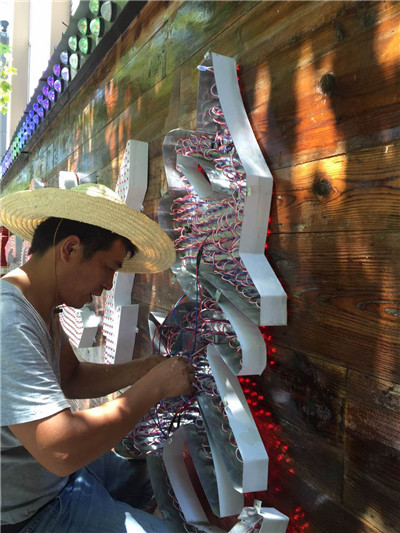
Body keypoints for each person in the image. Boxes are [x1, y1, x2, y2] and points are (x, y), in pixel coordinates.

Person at [0, 183, 194, 532]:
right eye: (108, 268)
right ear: (70, 249)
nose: (108, 284)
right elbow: (60, 450)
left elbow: (71, 377)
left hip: (53, 478)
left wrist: (142, 369)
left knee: (153, 474)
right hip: (29, 512)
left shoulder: (40, 304)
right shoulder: (9, 322)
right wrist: (154, 386)